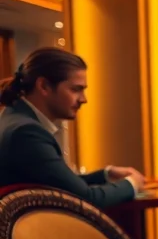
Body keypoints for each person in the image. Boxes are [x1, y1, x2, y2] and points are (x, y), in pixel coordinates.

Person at [0, 48, 143, 208]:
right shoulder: (26, 133)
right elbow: (86, 199)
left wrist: (105, 174)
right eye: (76, 89)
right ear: (44, 86)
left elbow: (60, 183)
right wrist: (132, 184)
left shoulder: (14, 118)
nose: (84, 99)